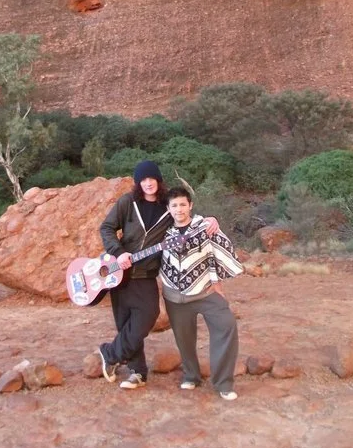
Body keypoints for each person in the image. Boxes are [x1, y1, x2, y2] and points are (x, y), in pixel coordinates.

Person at [97, 160, 219, 390]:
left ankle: (110, 353)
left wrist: (210, 220)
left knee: (148, 316)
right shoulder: (127, 202)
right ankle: (137, 373)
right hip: (119, 273)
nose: (148, 183)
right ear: (138, 182)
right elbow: (106, 228)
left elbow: (186, 218)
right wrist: (118, 252)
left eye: (152, 178)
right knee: (125, 325)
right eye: (143, 179)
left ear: (158, 180)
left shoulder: (167, 206)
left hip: (146, 274)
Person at [160, 186, 243, 401]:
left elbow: (219, 251)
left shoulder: (204, 227)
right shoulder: (163, 232)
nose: (179, 209)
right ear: (168, 209)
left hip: (204, 291)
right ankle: (191, 376)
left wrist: (218, 282)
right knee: (184, 339)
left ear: (190, 206)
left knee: (226, 325)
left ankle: (223, 383)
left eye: (183, 205)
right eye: (174, 205)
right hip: (174, 297)